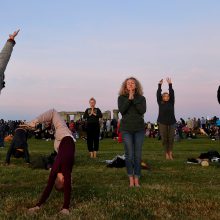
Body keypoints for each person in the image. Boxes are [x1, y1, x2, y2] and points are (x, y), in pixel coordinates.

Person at [27, 109, 75, 215]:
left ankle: (34, 122)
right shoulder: (54, 170)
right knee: (53, 118)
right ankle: (49, 125)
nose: (71, 180)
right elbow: (49, 186)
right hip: (59, 145)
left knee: (53, 112)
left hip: (64, 136)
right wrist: (37, 205)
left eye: (69, 180)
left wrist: (66, 207)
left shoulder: (64, 169)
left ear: (62, 179)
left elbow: (66, 187)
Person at [118, 77, 146, 187]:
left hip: (139, 128)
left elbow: (142, 110)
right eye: (128, 83)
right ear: (125, 86)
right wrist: (129, 98)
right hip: (126, 129)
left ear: (136, 85)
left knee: (137, 155)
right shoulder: (121, 98)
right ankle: (130, 178)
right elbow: (122, 110)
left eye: (132, 83)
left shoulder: (141, 98)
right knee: (129, 154)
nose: (130, 84)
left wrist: (133, 98)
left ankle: (137, 178)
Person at [157, 78, 176, 160]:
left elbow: (172, 93)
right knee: (164, 139)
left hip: (172, 122)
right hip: (162, 122)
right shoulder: (160, 102)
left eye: (167, 96)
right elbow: (158, 94)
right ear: (162, 97)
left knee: (171, 138)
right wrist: (159, 85)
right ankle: (166, 153)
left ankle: (170, 153)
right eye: (164, 96)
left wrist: (170, 84)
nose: (166, 97)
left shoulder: (171, 102)